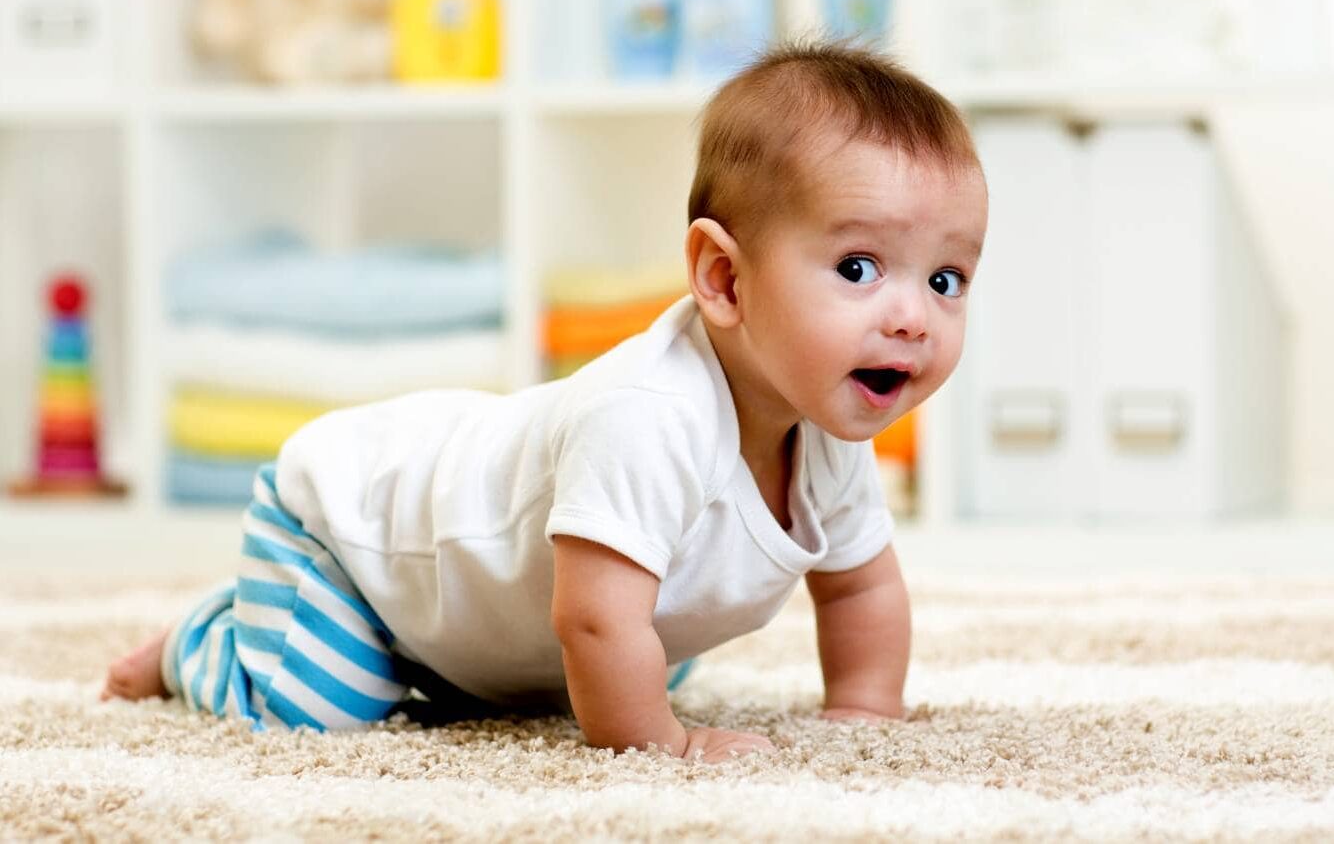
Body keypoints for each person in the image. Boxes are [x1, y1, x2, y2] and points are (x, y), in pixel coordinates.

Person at [102, 40, 988, 763]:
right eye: (859, 268)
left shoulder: (825, 429)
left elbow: (861, 587)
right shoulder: (647, 415)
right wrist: (663, 746)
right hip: (358, 543)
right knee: (319, 705)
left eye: (945, 278)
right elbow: (592, 618)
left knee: (635, 657)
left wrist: (866, 711)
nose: (913, 317)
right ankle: (203, 642)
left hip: (493, 627)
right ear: (723, 277)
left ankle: (448, 665)